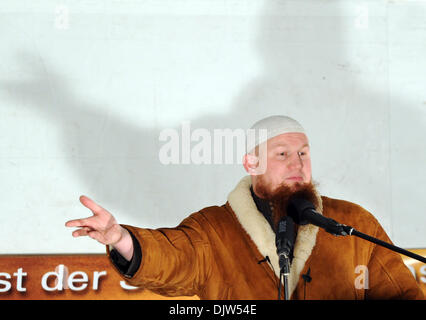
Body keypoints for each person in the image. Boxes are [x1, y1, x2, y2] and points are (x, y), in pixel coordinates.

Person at [65, 115, 424, 299]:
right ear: (251, 164)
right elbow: (171, 259)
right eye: (282, 155)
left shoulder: (352, 221)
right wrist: (121, 238)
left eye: (303, 153)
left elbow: (401, 293)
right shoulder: (213, 229)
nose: (297, 164)